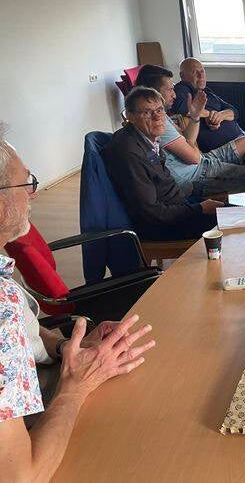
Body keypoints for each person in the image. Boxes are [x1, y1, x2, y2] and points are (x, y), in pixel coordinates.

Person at [0, 124, 154, 480]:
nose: (33, 194)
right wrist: (75, 387)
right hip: (36, 423)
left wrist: (66, 347)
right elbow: (21, 476)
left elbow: (23, 331)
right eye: (26, 184)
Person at [103, 87, 225, 241]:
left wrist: (196, 206)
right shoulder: (130, 152)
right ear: (130, 116)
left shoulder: (146, 138)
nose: (157, 117)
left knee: (235, 213)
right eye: (147, 112)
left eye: (159, 110)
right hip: (164, 225)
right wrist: (199, 208)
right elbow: (152, 212)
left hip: (179, 208)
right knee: (236, 223)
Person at [135, 65, 245, 197]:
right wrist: (191, 144)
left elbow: (189, 141)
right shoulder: (158, 122)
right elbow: (195, 156)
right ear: (153, 93)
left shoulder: (162, 116)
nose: (174, 95)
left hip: (198, 164)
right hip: (195, 177)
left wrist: (195, 116)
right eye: (170, 89)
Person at [171, 58, 245, 157]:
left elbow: (234, 111)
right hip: (231, 145)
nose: (201, 75)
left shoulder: (207, 92)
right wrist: (211, 115)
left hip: (242, 135)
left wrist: (220, 115)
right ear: (182, 75)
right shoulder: (182, 89)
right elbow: (183, 108)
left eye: (202, 71)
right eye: (194, 72)